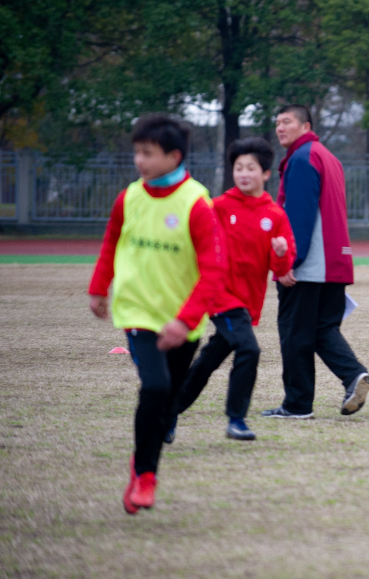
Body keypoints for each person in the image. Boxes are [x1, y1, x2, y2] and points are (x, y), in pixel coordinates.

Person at [88, 114, 224, 515]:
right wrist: (99, 288)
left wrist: (184, 320)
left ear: (174, 156)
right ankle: (145, 475)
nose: (139, 161)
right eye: (137, 152)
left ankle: (141, 462)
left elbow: (214, 271)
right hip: (138, 313)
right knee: (156, 387)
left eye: (147, 153)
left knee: (168, 400)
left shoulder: (197, 203)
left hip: (184, 321)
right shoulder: (129, 197)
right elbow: (111, 242)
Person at [169, 137, 296, 442]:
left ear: (266, 174)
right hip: (219, 295)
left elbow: (282, 271)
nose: (243, 173)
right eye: (238, 167)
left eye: (250, 168)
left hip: (247, 302)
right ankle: (236, 419)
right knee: (249, 349)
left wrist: (281, 253)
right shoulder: (220, 207)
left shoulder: (275, 215)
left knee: (207, 361)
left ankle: (167, 413)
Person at [261, 104, 369, 419]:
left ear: (305, 126)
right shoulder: (329, 157)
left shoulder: (302, 157)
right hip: (337, 261)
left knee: (295, 333)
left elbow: (299, 216)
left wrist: (288, 262)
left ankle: (297, 405)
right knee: (323, 329)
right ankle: (354, 376)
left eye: (287, 122)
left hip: (309, 264)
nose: (280, 128)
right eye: (277, 122)